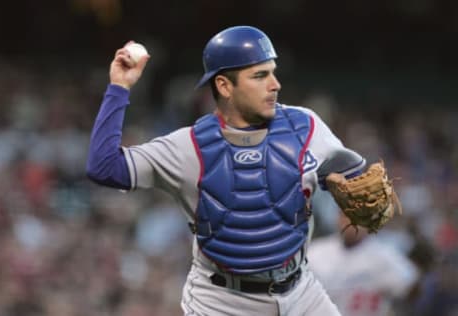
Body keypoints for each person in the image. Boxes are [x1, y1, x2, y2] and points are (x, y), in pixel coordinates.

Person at [87, 25, 368, 315]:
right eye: (260, 75)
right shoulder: (188, 147)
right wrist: (119, 87)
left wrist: (357, 197)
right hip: (223, 302)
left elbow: (354, 177)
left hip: (301, 293)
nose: (275, 84)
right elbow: (103, 167)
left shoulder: (306, 126)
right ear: (224, 86)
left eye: (272, 72)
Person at [307, 211, 420, 316]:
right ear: (338, 218)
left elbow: (412, 287)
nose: (351, 223)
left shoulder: (386, 256)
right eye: (347, 216)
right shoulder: (315, 251)